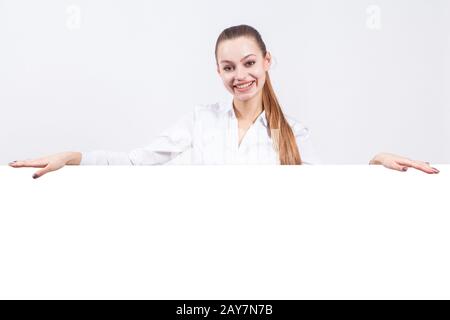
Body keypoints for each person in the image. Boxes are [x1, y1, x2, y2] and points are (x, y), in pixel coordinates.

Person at [8, 25, 440, 178]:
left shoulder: (292, 132)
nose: (241, 76)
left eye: (249, 63)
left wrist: (374, 166)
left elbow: (326, 191)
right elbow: (138, 163)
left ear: (267, 62)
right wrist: (74, 156)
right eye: (229, 67)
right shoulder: (200, 120)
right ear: (218, 71)